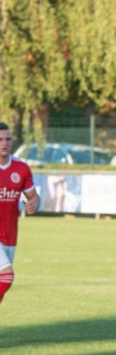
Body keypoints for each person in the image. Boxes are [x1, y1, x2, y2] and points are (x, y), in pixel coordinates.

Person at [0, 122, 40, 307]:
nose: (4, 143)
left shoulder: (21, 169)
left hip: (10, 235)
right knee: (6, 276)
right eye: (0, 139)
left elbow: (33, 196)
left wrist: (33, 204)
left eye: (8, 139)